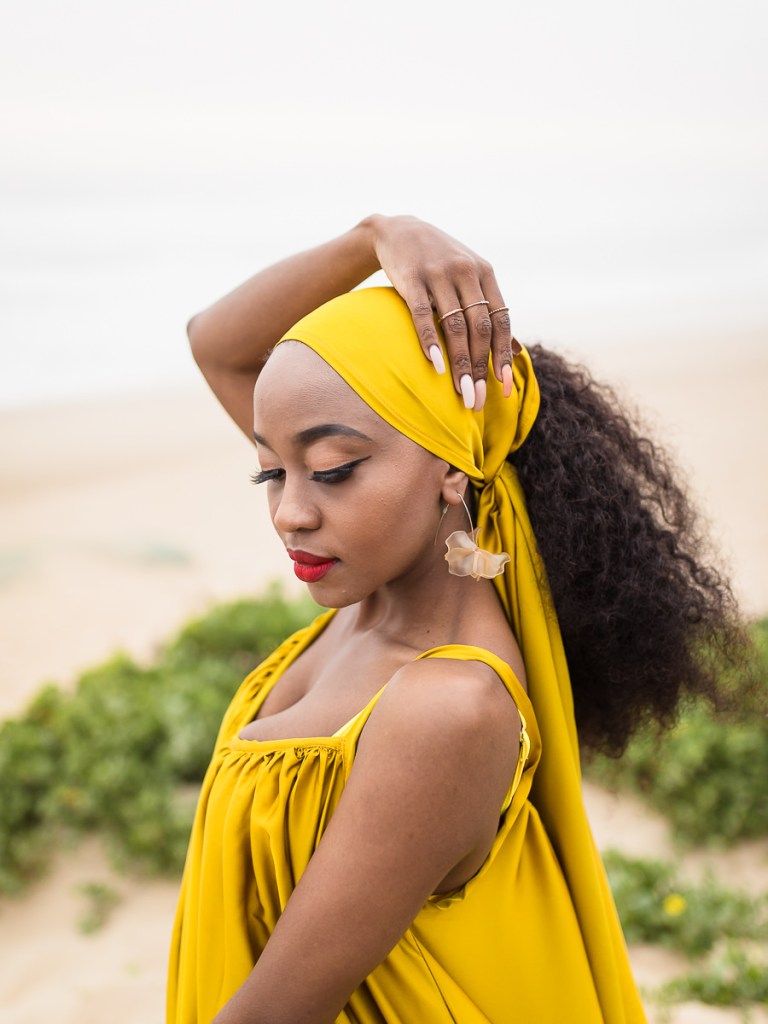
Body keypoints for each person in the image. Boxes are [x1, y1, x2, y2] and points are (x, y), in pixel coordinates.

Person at [168, 215, 743, 1024]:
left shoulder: (447, 708)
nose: (290, 513)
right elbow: (217, 347)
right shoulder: (370, 594)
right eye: (269, 470)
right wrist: (374, 239)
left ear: (449, 467)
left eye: (331, 471)